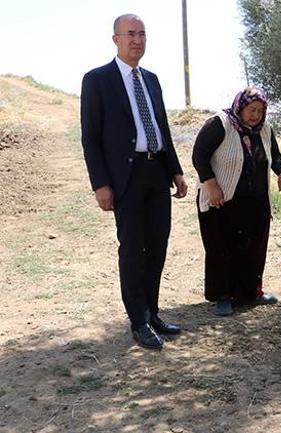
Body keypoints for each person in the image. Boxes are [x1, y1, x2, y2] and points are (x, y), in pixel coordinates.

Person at [80, 14, 187, 350]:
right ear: (116, 39)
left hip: (157, 173)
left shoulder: (152, 80)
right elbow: (90, 137)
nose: (137, 40)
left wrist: (176, 170)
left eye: (142, 34)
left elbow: (162, 128)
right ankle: (138, 320)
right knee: (133, 249)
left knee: (157, 245)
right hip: (125, 177)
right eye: (130, 34)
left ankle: (153, 312)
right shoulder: (97, 80)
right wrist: (100, 183)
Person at [192, 87, 281, 316]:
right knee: (221, 248)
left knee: (254, 248)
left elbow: (275, 156)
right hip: (222, 199)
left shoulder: (265, 129)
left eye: (259, 110)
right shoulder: (220, 124)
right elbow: (199, 155)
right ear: (240, 106)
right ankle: (223, 296)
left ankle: (251, 293)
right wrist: (211, 185)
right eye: (251, 109)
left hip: (256, 199)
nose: (255, 115)